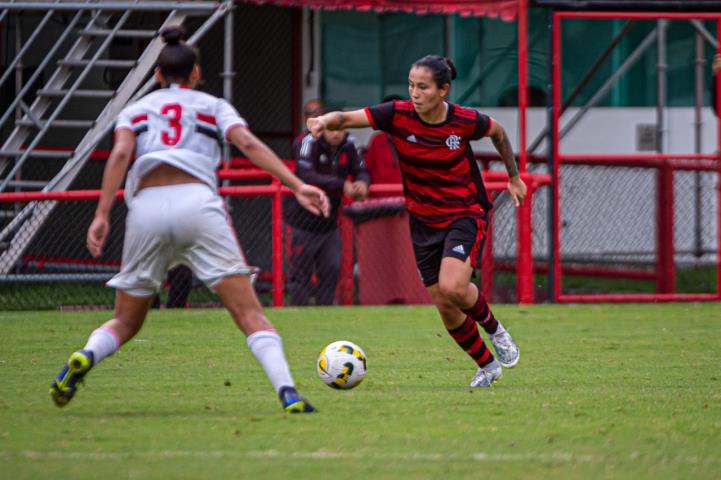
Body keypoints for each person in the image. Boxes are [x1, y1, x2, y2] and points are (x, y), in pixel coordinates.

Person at [49, 27, 329, 413]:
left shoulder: (135, 110)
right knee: (249, 314)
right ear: (196, 73)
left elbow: (118, 156)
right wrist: (297, 185)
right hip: (197, 203)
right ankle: (288, 392)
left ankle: (85, 355)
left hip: (145, 207)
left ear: (158, 75)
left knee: (126, 322)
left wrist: (101, 214)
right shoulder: (212, 105)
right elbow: (246, 143)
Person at [307, 55, 527, 388]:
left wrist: (514, 176)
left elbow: (498, 132)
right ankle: (487, 365)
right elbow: (351, 117)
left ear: (443, 90)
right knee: (443, 302)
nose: (415, 93)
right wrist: (325, 120)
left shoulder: (464, 120)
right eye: (411, 85)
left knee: (454, 286)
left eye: (423, 87)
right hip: (423, 221)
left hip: (464, 212)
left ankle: (495, 329)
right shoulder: (397, 114)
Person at [284, 126, 370, 305]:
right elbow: (306, 175)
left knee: (331, 269)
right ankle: (299, 316)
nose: (336, 133)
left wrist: (362, 181)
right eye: (331, 130)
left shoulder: (350, 143)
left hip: (329, 223)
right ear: (322, 129)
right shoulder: (307, 141)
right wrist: (341, 184)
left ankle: (325, 314)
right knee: (300, 274)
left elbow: (361, 169)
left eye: (340, 129)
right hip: (302, 222)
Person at [364, 95, 403, 184]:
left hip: (406, 195)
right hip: (381, 196)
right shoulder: (376, 140)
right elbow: (366, 169)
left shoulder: (413, 139)